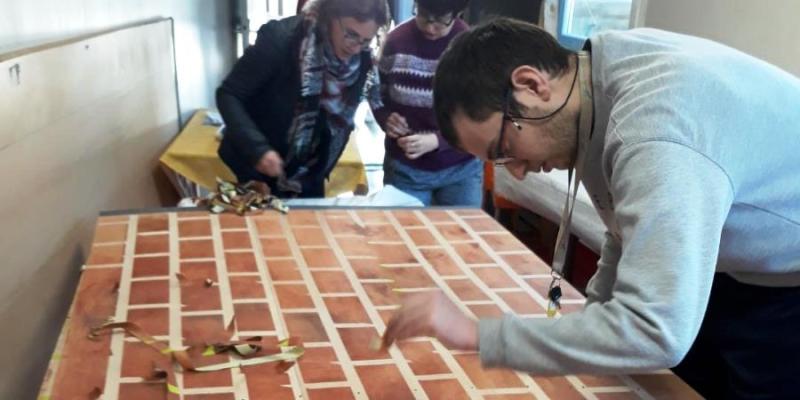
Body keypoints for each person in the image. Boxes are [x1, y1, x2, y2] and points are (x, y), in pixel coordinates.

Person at [384, 18, 800, 399]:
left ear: (530, 85)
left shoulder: (656, 129)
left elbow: (654, 330)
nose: (521, 171)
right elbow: (628, 225)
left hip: (786, 284)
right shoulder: (595, 78)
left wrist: (478, 335)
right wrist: (594, 322)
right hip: (731, 267)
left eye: (505, 150)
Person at [216, 0, 389, 198]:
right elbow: (229, 94)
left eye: (366, 40)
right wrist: (258, 150)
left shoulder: (362, 58)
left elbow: (340, 120)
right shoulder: (281, 39)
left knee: (306, 225)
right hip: (256, 164)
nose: (356, 48)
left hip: (310, 170)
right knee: (261, 225)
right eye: (351, 34)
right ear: (330, 16)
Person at [371, 0, 482, 206]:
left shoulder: (469, 48)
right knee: (404, 234)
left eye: (441, 21)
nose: (430, 27)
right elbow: (375, 91)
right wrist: (385, 118)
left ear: (457, 13)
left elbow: (480, 114)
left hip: (460, 170)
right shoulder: (396, 41)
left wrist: (439, 141)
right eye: (423, 16)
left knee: (461, 235)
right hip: (406, 170)